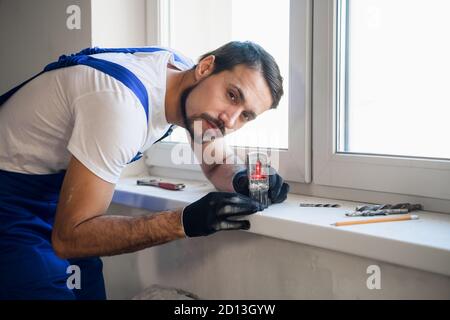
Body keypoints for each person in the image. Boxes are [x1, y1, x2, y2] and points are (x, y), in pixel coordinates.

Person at [0, 41, 289, 300]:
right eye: (232, 95)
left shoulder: (182, 81)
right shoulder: (119, 104)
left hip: (58, 193)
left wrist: (244, 179)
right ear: (205, 67)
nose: (230, 119)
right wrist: (184, 222)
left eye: (246, 116)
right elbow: (69, 239)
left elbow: (214, 163)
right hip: (8, 202)